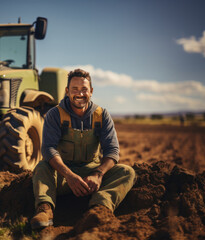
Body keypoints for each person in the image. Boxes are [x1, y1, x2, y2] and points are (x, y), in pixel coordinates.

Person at [31, 68, 136, 229]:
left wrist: (98, 174)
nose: (80, 94)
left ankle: (99, 208)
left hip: (91, 176)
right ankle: (45, 209)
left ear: (91, 91)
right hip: (62, 176)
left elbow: (112, 151)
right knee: (42, 167)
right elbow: (49, 149)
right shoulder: (55, 114)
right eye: (75, 89)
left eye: (84, 89)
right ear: (67, 91)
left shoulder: (102, 115)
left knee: (127, 172)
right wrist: (69, 175)